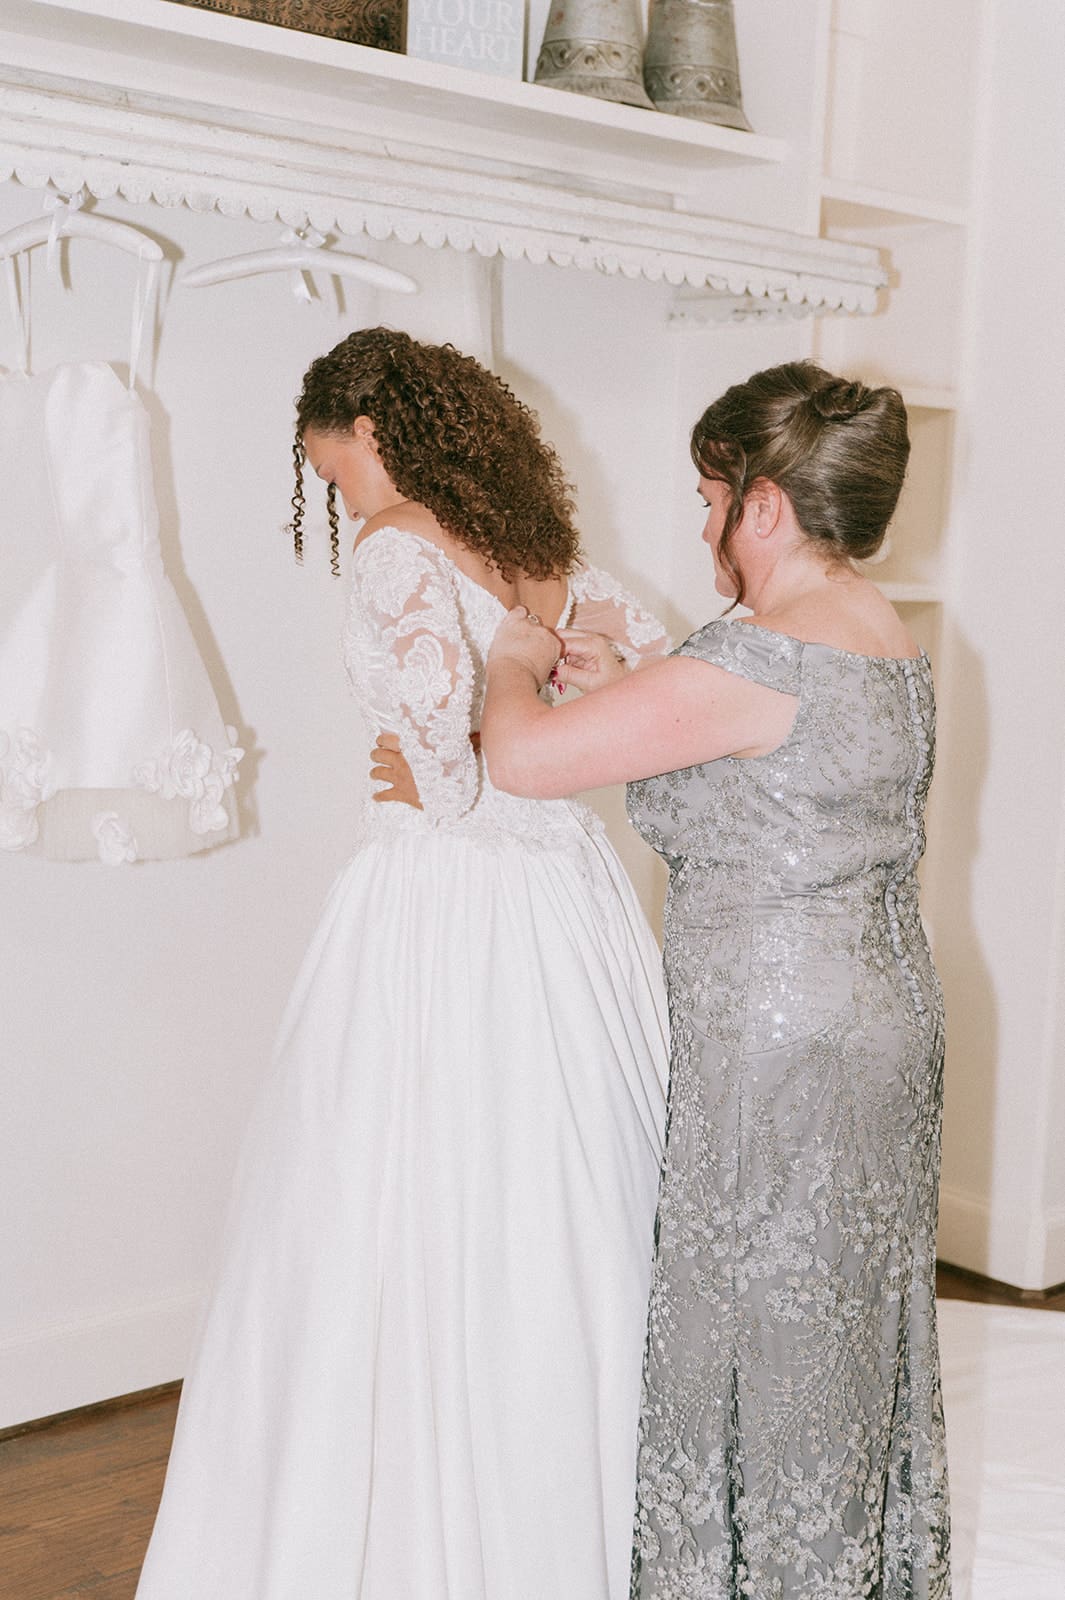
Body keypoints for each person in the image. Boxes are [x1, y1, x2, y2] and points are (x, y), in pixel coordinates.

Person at [134, 329, 671, 1600]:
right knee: (575, 1191)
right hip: (572, 896)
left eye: (333, 471)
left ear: (367, 432)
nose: (339, 498)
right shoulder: (534, 546)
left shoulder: (393, 545)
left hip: (448, 905)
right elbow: (646, 661)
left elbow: (437, 754)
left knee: (402, 1204)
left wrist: (442, 766)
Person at [480, 360, 951, 1598]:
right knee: (847, 1325)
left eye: (709, 500)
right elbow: (753, 760)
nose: (702, 528)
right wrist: (624, 686)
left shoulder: (756, 655)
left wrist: (510, 660)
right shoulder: (880, 629)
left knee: (761, 1333)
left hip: (777, 1042)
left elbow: (522, 759)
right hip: (887, 1017)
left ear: (765, 505)